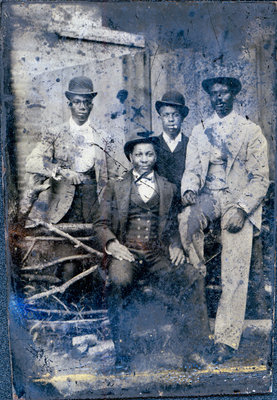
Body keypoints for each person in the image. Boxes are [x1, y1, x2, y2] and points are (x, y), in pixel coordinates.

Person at [94, 132, 211, 372]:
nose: (144, 159)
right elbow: (100, 225)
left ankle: (191, 351)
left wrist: (177, 245)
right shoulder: (115, 187)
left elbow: (171, 226)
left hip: (157, 255)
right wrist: (112, 245)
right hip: (127, 252)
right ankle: (122, 355)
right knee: (118, 280)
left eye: (149, 154)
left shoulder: (168, 188)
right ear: (130, 156)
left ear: (156, 156)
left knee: (192, 277)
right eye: (139, 154)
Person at [178, 76, 269, 363]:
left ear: (233, 96)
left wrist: (242, 209)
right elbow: (191, 169)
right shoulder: (200, 129)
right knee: (186, 223)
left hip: (237, 200)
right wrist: (190, 189)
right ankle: (197, 324)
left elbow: (260, 178)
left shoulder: (250, 131)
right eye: (214, 94)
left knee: (235, 266)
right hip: (208, 196)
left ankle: (226, 339)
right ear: (209, 98)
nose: (219, 98)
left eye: (224, 93)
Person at [20, 76, 108, 285]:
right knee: (69, 268)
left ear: (92, 105)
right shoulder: (54, 133)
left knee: (97, 269)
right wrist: (60, 170)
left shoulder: (101, 136)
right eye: (77, 102)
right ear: (69, 103)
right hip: (64, 213)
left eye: (87, 102)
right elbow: (31, 162)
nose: (82, 107)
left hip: (94, 208)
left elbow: (111, 176)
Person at [155, 91, 189, 197]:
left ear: (182, 118)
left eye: (176, 115)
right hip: (159, 202)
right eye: (166, 115)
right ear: (160, 117)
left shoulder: (190, 144)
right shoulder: (153, 144)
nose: (171, 120)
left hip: (185, 201)